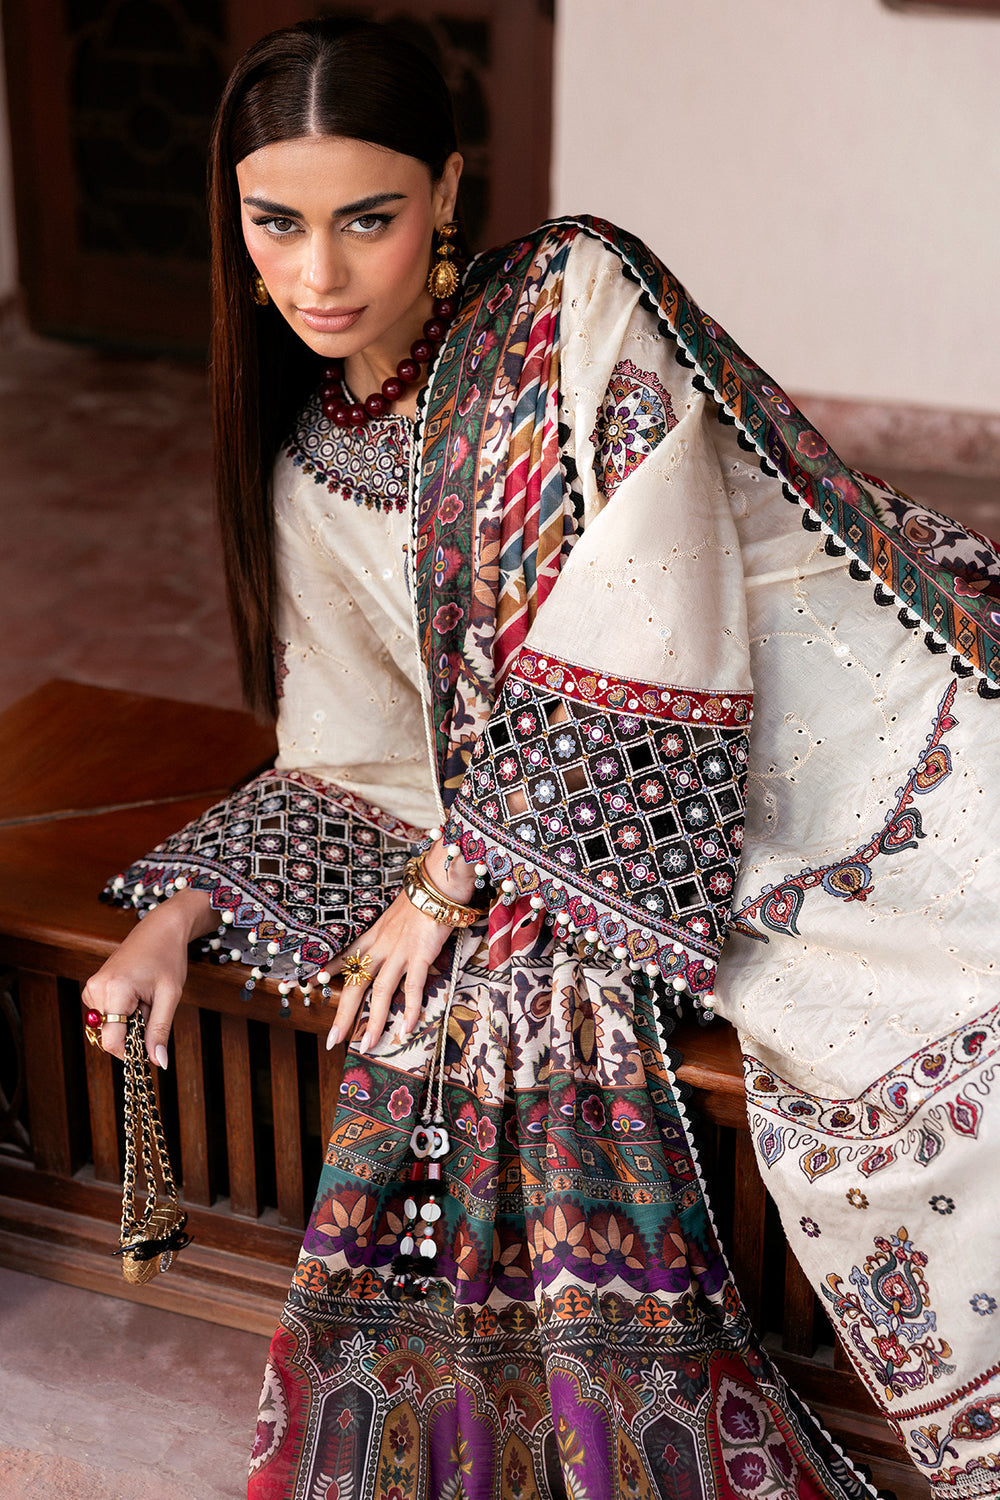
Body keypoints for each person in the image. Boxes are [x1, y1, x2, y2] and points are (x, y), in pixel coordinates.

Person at [82, 18, 1000, 1500]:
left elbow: (659, 606)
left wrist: (452, 879)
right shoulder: (311, 474)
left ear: (448, 193)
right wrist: (175, 921)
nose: (318, 274)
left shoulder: (575, 295)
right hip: (593, 821)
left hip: (826, 722)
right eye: (276, 224)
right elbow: (362, 761)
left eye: (367, 218)